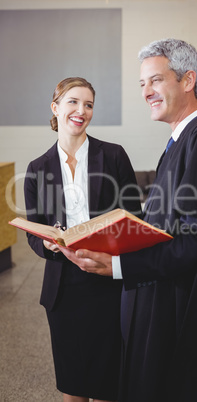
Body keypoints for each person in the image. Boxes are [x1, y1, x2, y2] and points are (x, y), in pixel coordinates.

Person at [59, 40, 197, 402]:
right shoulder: (181, 142)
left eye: (156, 80)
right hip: (165, 301)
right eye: (142, 84)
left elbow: (195, 240)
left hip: (188, 317)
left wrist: (118, 264)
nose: (146, 92)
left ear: (188, 80)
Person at [24, 77, 141, 402]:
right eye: (73, 102)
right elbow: (35, 232)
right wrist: (46, 243)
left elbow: (134, 217)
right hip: (64, 291)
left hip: (107, 284)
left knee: (107, 384)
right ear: (56, 107)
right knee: (72, 385)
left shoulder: (114, 156)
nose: (81, 110)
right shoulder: (37, 169)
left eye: (88, 104)